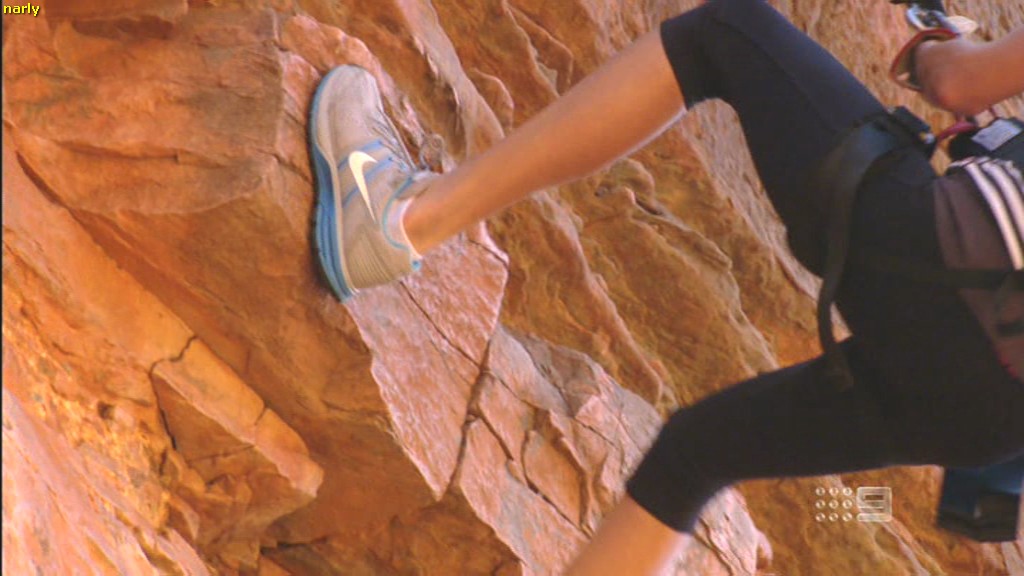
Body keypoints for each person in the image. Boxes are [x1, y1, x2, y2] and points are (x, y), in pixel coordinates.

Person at [308, 0, 1024, 573]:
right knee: (696, 453)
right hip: (990, 419)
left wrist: (930, 45)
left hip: (947, 264)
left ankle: (403, 222)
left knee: (727, 32)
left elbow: (957, 83)